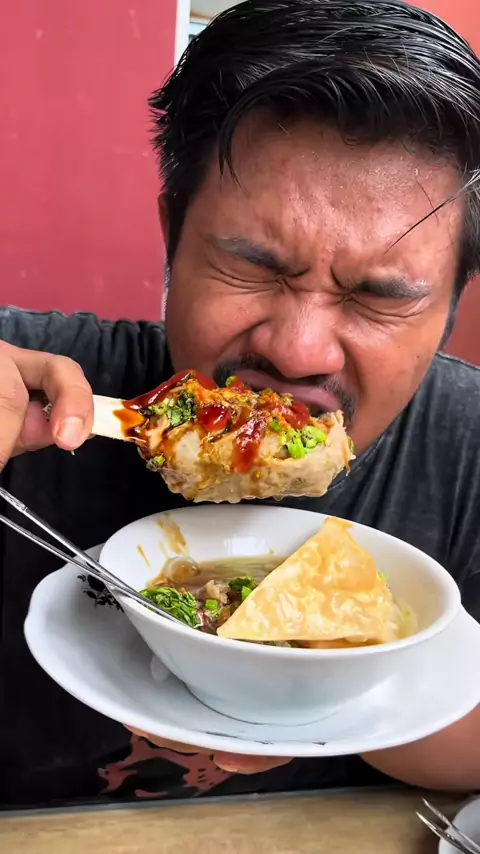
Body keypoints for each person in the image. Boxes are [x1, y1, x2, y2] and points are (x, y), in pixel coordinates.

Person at [1, 0, 480, 809]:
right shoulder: (27, 394)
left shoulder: (469, 449)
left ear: (452, 305)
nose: (298, 351)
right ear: (172, 238)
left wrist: (318, 691)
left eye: (379, 297)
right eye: (254, 267)